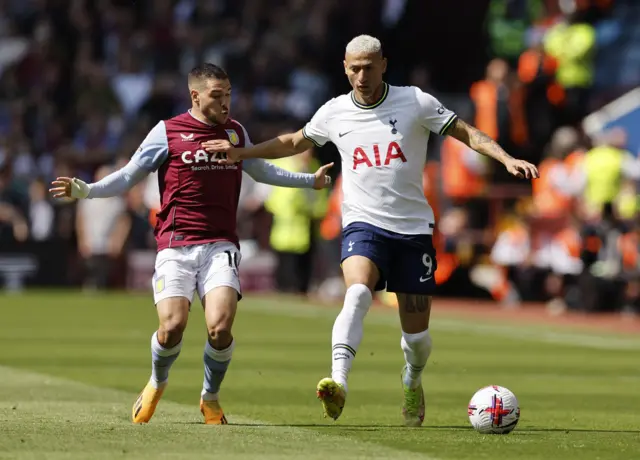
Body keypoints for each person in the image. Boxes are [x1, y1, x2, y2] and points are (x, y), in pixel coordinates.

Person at [203, 36, 539, 427]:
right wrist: (242, 153)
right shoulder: (334, 111)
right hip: (363, 223)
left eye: (368, 66)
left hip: (413, 229)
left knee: (417, 341)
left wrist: (507, 157)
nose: (361, 75)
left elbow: (466, 132)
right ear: (345, 68)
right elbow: (295, 140)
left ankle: (412, 380)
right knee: (358, 291)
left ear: (383, 64)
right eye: (353, 68)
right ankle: (338, 382)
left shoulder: (416, 102)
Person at [49, 64, 332, 425]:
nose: (226, 102)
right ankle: (156, 382)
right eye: (217, 95)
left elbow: (262, 170)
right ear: (195, 96)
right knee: (171, 327)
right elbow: (129, 175)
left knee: (220, 326)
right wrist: (88, 190)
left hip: (220, 246)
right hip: (176, 244)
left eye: (228, 93)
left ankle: (210, 398)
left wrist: (310, 181)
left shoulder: (235, 133)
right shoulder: (167, 132)